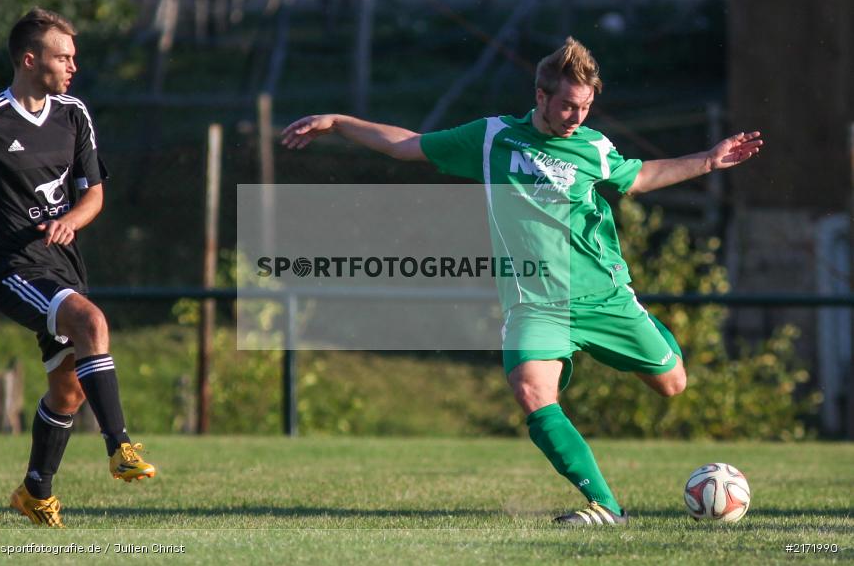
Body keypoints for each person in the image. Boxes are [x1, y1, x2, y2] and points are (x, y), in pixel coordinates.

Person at [281, 37, 762, 526]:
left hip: (602, 295)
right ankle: (607, 507)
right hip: (535, 303)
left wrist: (707, 159)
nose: (577, 116)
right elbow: (407, 146)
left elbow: (636, 179)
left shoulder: (593, 147)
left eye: (587, 107)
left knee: (672, 384)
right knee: (531, 391)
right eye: (569, 106)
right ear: (540, 97)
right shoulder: (492, 138)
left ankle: (640, 322)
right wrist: (340, 123)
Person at [0, 7, 156, 528]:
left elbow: (95, 195)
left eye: (74, 56)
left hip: (64, 267)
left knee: (66, 390)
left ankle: (34, 490)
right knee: (92, 324)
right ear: (29, 59)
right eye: (63, 56)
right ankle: (121, 446)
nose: (72, 66)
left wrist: (71, 220)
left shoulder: (73, 114)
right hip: (15, 271)